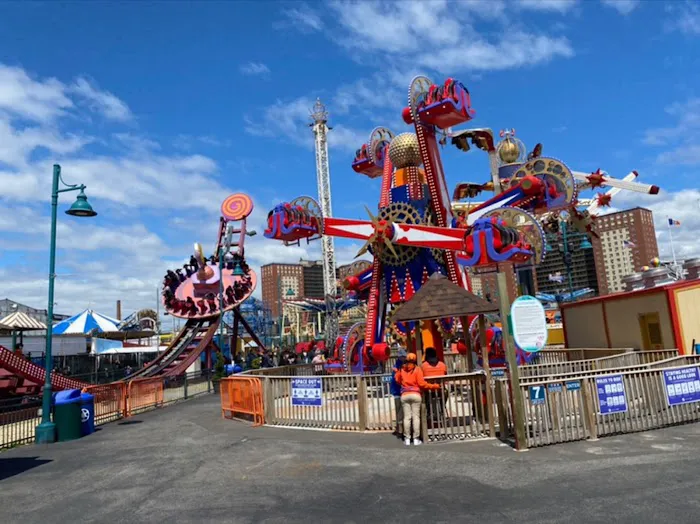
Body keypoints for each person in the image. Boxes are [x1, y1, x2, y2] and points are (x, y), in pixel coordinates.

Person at [394, 352, 440, 446]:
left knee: (407, 417)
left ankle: (407, 438)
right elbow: (422, 384)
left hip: (405, 394)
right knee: (416, 417)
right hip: (415, 394)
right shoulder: (417, 369)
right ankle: (416, 438)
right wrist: (435, 386)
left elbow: (397, 379)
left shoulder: (402, 369)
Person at [421, 347, 447, 426]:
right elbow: (445, 374)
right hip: (440, 390)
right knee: (446, 393)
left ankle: (429, 412)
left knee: (424, 396)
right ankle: (442, 409)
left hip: (428, 390)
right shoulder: (442, 365)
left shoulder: (423, 366)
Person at [390, 348, 407, 438]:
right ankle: (400, 430)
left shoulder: (400, 365)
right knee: (399, 411)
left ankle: (402, 429)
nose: (403, 358)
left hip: (403, 390)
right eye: (402, 356)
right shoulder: (398, 366)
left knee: (403, 411)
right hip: (398, 391)